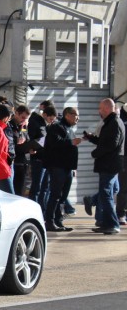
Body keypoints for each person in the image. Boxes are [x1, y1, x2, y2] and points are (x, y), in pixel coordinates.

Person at [83, 98, 125, 234]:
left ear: (107, 108)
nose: (99, 111)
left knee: (106, 193)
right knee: (111, 190)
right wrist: (91, 138)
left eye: (100, 108)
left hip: (109, 164)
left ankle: (112, 224)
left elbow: (111, 144)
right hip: (111, 163)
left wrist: (96, 153)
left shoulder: (114, 123)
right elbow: (104, 141)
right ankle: (105, 222)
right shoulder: (111, 122)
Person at [42, 107, 82, 232]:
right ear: (68, 115)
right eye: (76, 115)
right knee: (55, 195)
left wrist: (73, 168)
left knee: (63, 197)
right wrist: (71, 142)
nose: (78, 118)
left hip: (67, 167)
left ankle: (58, 221)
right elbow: (55, 143)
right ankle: (50, 221)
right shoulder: (57, 127)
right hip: (58, 166)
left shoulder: (69, 129)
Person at [27, 100, 54, 207]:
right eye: (50, 118)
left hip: (46, 159)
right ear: (45, 114)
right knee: (36, 187)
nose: (52, 121)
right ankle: (34, 209)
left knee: (45, 187)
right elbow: (32, 139)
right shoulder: (35, 122)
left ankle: (43, 210)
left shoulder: (45, 124)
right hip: (38, 159)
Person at [9, 105, 31, 196]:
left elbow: (27, 138)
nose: (23, 120)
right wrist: (16, 141)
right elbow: (8, 143)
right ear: (16, 113)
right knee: (11, 190)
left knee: (19, 190)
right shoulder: (9, 125)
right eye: (22, 117)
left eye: (26, 118)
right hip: (13, 162)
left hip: (22, 162)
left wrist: (30, 149)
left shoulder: (23, 126)